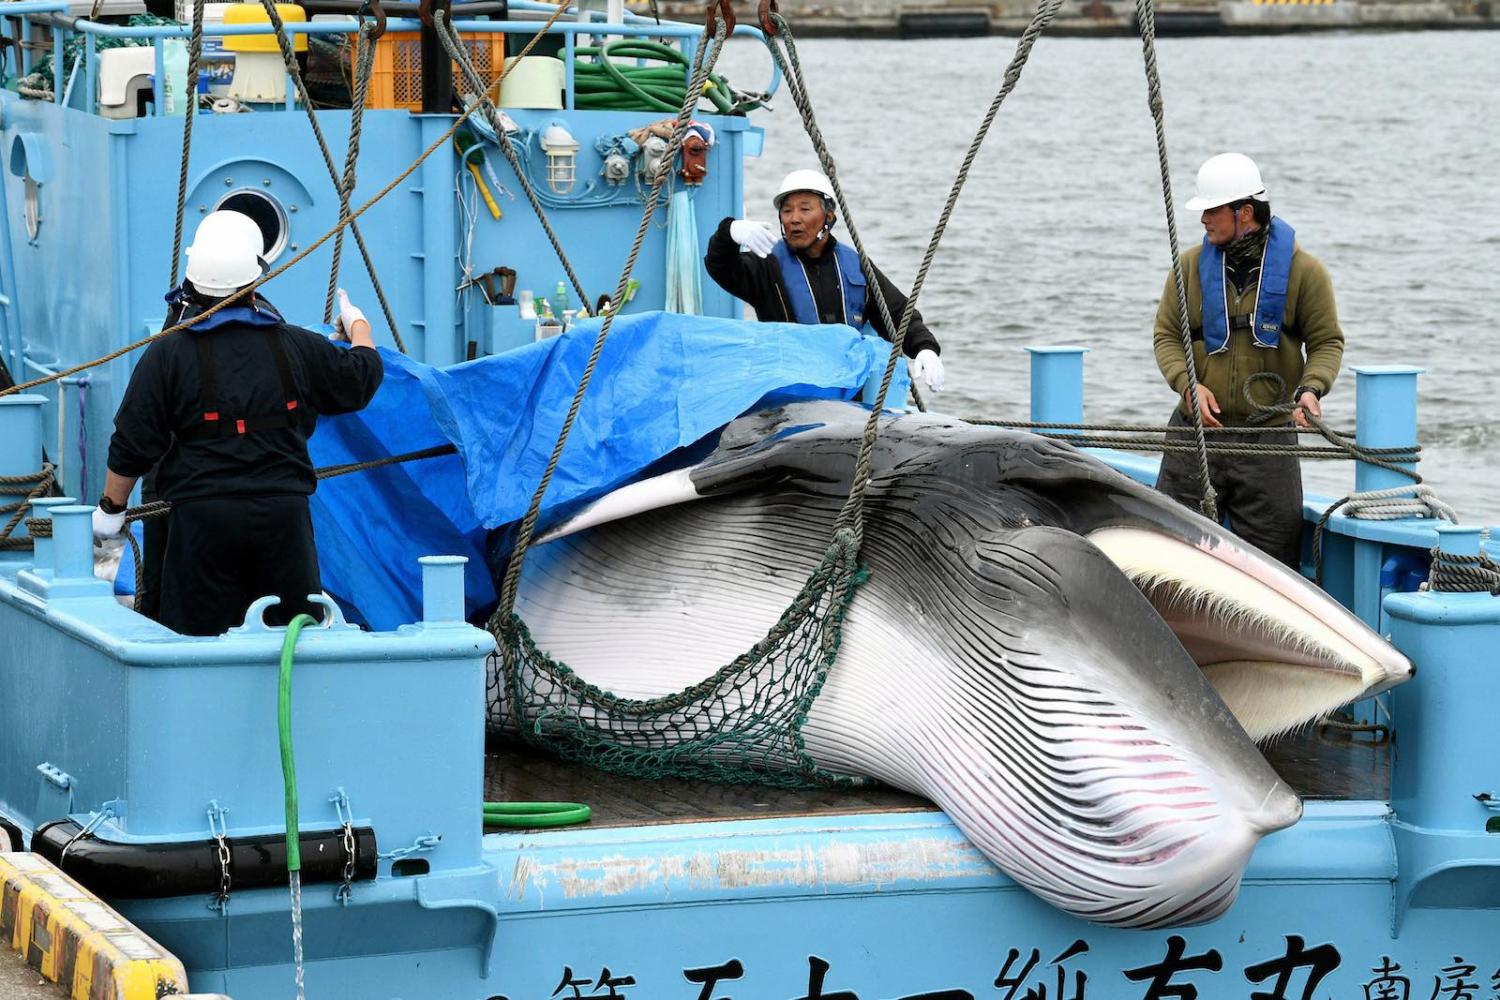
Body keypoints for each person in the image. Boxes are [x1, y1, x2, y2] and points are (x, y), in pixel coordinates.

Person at [92, 210, 385, 635]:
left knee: (196, 647)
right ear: (254, 279)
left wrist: (111, 510)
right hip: (283, 523)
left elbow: (132, 442)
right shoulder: (296, 347)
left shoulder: (167, 355)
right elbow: (361, 377)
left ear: (193, 280)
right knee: (293, 640)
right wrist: (358, 324)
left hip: (201, 526)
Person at [1152, 153, 1344, 568]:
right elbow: (1166, 336)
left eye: (1211, 209)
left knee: (1272, 568)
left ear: (1244, 212)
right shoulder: (1186, 268)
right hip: (1195, 438)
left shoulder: (1305, 272)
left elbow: (1327, 342)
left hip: (1267, 445)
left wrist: (1311, 389)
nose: (1203, 219)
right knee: (1172, 559)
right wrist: (1187, 384)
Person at [705, 169, 946, 393]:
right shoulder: (767, 265)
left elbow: (896, 312)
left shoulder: (856, 265)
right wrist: (729, 232)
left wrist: (925, 348)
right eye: (787, 211)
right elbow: (720, 266)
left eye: (805, 209)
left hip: (847, 397)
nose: (794, 219)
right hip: (788, 397)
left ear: (828, 217)